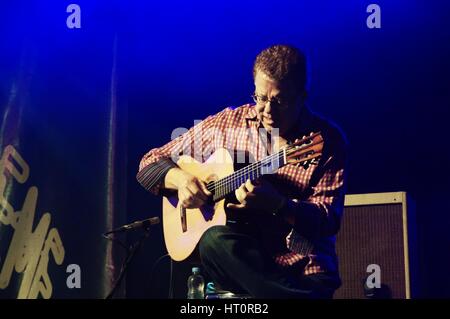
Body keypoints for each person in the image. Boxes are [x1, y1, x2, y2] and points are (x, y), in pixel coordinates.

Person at [137, 44, 347, 299]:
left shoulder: (325, 141)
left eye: (279, 101)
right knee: (214, 240)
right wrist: (182, 180)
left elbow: (328, 222)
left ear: (302, 97)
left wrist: (279, 205)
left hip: (301, 272)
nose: (267, 110)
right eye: (260, 97)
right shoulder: (227, 124)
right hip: (240, 266)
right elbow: (149, 162)